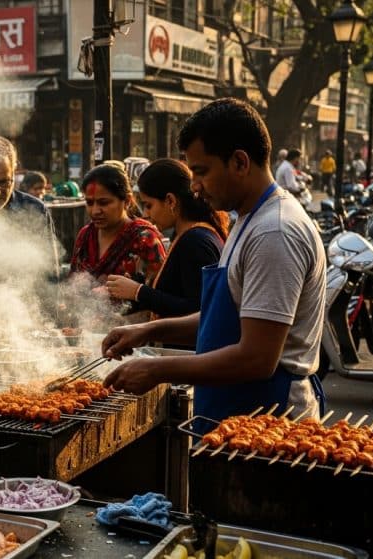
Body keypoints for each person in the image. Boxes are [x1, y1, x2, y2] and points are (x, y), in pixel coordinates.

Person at [101, 98, 326, 423]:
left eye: (201, 171)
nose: (194, 186)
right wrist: (149, 330)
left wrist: (157, 369)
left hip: (269, 422)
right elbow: (225, 319)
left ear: (239, 162)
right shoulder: (249, 219)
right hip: (237, 413)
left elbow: (257, 358)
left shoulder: (274, 231)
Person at [104, 158, 227, 321]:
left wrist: (138, 292)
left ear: (170, 201)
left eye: (149, 205)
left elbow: (198, 312)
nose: (145, 214)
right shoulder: (187, 235)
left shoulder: (194, 241)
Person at [69, 164, 167, 306]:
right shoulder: (85, 235)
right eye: (89, 203)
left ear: (127, 201)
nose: (95, 211)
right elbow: (72, 284)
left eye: (104, 203)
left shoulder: (145, 239)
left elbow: (161, 298)